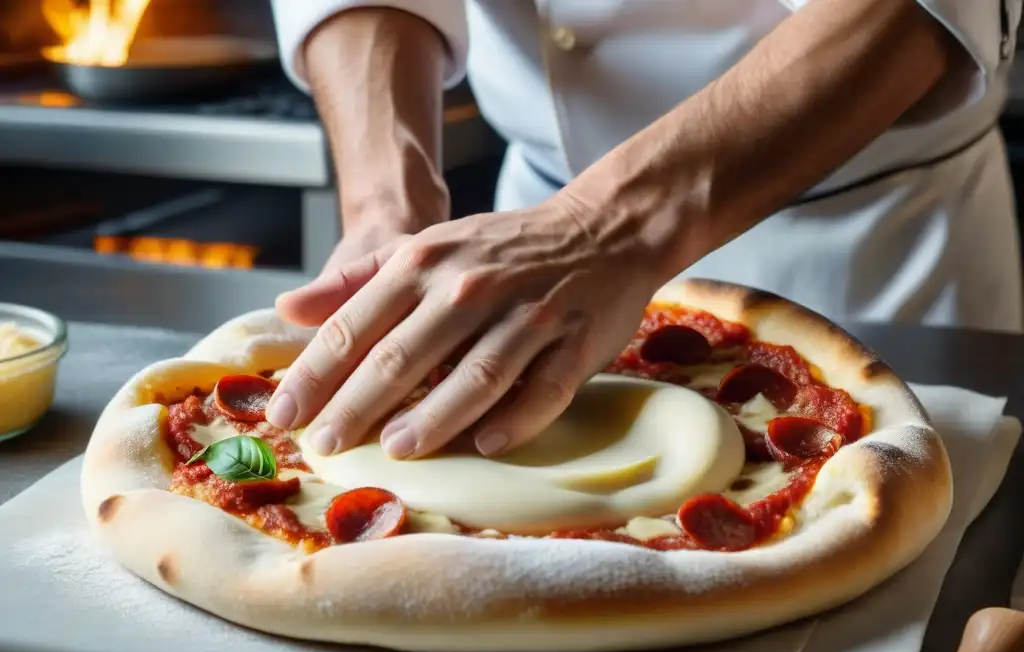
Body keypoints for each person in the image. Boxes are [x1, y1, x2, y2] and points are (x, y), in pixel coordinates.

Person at [266, 0, 1023, 462]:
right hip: (519, 243)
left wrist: (599, 229)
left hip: (865, 238)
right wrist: (387, 207)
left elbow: (920, 6)